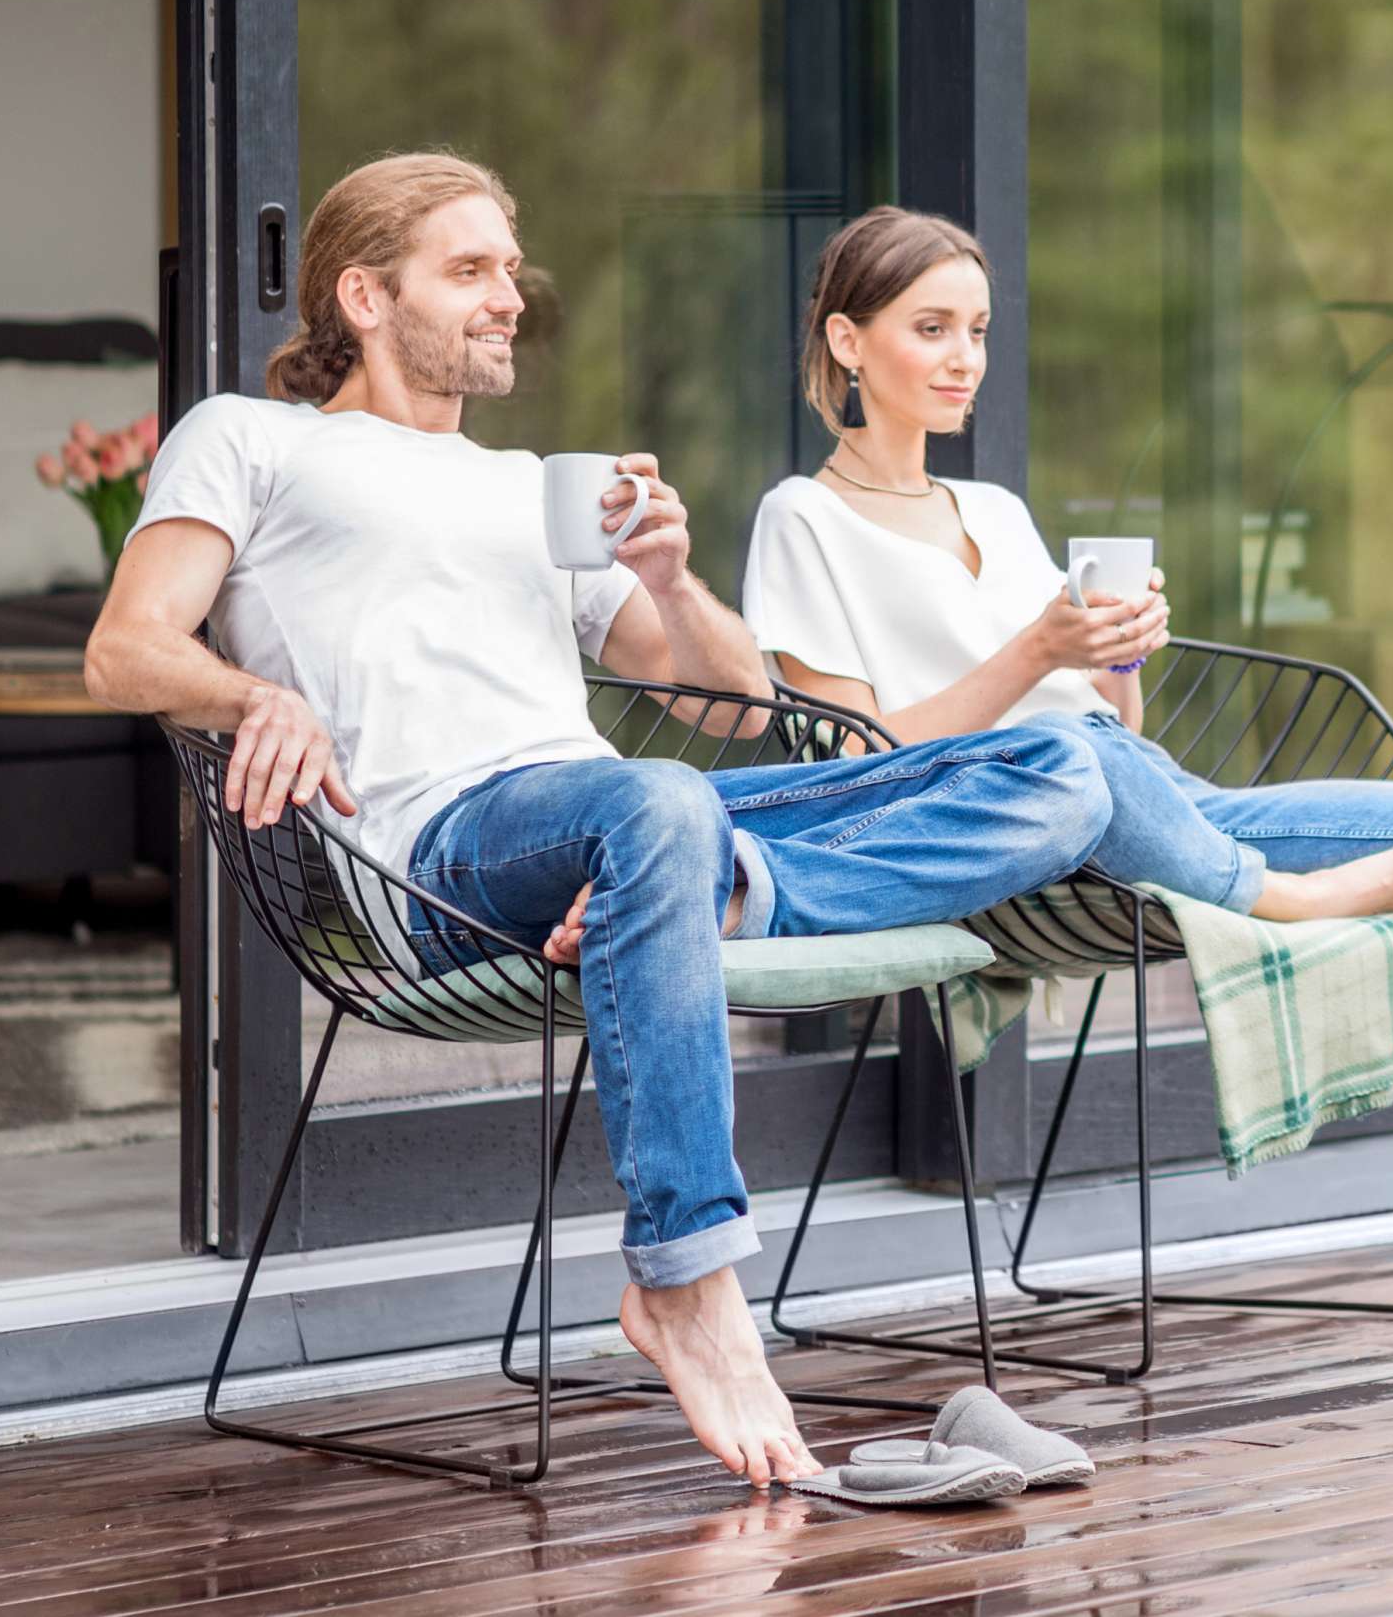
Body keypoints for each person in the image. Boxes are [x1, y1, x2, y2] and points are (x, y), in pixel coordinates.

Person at [87, 153, 1121, 1487]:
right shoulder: (254, 438)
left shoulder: (534, 487)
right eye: (470, 270)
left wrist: (673, 581)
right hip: (436, 855)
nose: (509, 296)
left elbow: (742, 712)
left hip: (608, 818)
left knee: (1054, 771)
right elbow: (123, 650)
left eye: (510, 270)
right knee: (656, 806)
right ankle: (686, 1278)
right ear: (363, 293)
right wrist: (249, 695)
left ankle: (691, 881)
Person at [738, 206, 1393, 1400]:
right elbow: (858, 763)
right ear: (846, 339)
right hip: (1023, 837)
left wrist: (1120, 658)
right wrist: (1040, 653)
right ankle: (1294, 900)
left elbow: (1112, 727)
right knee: (1082, 771)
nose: (963, 358)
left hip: (1155, 804)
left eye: (977, 330)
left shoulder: (991, 512)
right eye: (930, 327)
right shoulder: (804, 517)